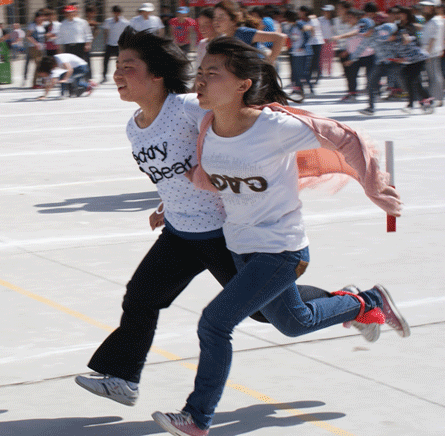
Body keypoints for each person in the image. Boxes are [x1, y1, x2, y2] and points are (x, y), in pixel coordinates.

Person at [152, 36, 408, 436]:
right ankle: (365, 301)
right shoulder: (208, 126)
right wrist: (168, 204)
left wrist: (376, 188)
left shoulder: (273, 126)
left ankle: (197, 417)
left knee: (214, 324)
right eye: (199, 72)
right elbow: (208, 178)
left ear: (243, 85)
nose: (199, 81)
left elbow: (346, 137)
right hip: (241, 248)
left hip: (281, 249)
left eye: (212, 74)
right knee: (294, 323)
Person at [74, 28, 338, 408]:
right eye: (117, 65)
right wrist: (165, 205)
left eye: (128, 66)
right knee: (141, 297)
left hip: (222, 234)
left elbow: (240, 125)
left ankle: (346, 302)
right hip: (180, 233)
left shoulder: (188, 108)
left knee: (269, 314)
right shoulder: (134, 127)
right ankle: (122, 378)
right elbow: (172, 173)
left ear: (156, 74)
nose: (117, 74)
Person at [352, 13, 401, 115]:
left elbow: (393, 27)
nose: (364, 34)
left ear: (371, 28)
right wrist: (352, 59)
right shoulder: (367, 38)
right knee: (371, 82)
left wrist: (390, 32)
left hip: (395, 62)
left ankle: (424, 100)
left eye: (366, 31)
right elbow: (361, 48)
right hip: (381, 63)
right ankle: (371, 108)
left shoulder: (382, 30)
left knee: (405, 83)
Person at [212, 0, 286, 65]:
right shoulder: (225, 38)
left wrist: (269, 62)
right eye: (215, 17)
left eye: (221, 17)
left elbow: (280, 37)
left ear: (233, 19)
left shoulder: (242, 33)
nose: (216, 21)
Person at [331, 4, 378, 102]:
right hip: (355, 57)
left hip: (368, 56)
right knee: (351, 76)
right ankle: (352, 94)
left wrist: (339, 37)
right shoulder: (349, 27)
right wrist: (347, 51)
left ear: (357, 18)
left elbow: (356, 32)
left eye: (350, 17)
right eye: (347, 17)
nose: (348, 19)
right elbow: (352, 42)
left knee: (370, 77)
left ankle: (374, 94)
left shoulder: (361, 25)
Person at [419, 0, 444, 107]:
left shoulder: (435, 21)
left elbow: (433, 38)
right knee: (433, 75)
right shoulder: (432, 20)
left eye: (427, 6)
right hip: (430, 51)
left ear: (434, 8)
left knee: (434, 76)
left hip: (431, 52)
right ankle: (435, 97)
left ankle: (438, 98)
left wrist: (427, 53)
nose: (424, 8)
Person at [56, 4, 93, 79]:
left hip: (80, 45)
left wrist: (87, 44)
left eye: (71, 12)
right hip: (68, 46)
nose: (69, 14)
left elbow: (88, 34)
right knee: (70, 64)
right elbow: (60, 37)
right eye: (67, 12)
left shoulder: (82, 22)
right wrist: (59, 48)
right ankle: (72, 79)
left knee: (83, 63)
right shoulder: (63, 24)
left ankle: (87, 79)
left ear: (75, 12)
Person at [285, 10, 314, 99]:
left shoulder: (300, 24)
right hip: (295, 52)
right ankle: (298, 89)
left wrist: (303, 46)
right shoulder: (292, 26)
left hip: (302, 53)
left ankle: (309, 88)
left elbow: (307, 36)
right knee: (296, 72)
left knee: (301, 72)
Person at [101, 5, 129, 83]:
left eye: (118, 12)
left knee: (119, 62)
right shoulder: (108, 21)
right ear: (113, 13)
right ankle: (104, 75)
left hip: (119, 45)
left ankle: (120, 76)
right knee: (105, 61)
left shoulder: (125, 22)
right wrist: (105, 42)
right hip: (110, 43)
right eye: (115, 12)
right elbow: (106, 32)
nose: (117, 14)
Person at [299, 6, 324, 84]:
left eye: (300, 11)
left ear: (305, 12)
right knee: (310, 61)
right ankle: (309, 77)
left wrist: (300, 26)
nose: (299, 13)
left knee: (314, 61)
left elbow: (311, 29)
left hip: (316, 43)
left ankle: (316, 77)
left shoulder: (313, 20)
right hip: (311, 43)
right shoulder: (307, 19)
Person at [24, 10, 47, 86]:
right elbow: (28, 36)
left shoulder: (43, 25)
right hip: (34, 48)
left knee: (42, 65)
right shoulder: (32, 25)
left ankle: (41, 81)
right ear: (36, 18)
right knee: (38, 64)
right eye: (40, 17)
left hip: (42, 47)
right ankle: (35, 83)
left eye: (42, 16)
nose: (41, 18)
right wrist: (35, 43)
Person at [319, 4, 336, 78]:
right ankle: (321, 72)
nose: (326, 12)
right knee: (321, 57)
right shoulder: (320, 20)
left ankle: (329, 72)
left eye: (328, 11)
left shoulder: (334, 20)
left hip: (330, 40)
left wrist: (333, 40)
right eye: (325, 11)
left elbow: (335, 31)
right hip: (322, 40)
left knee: (330, 57)